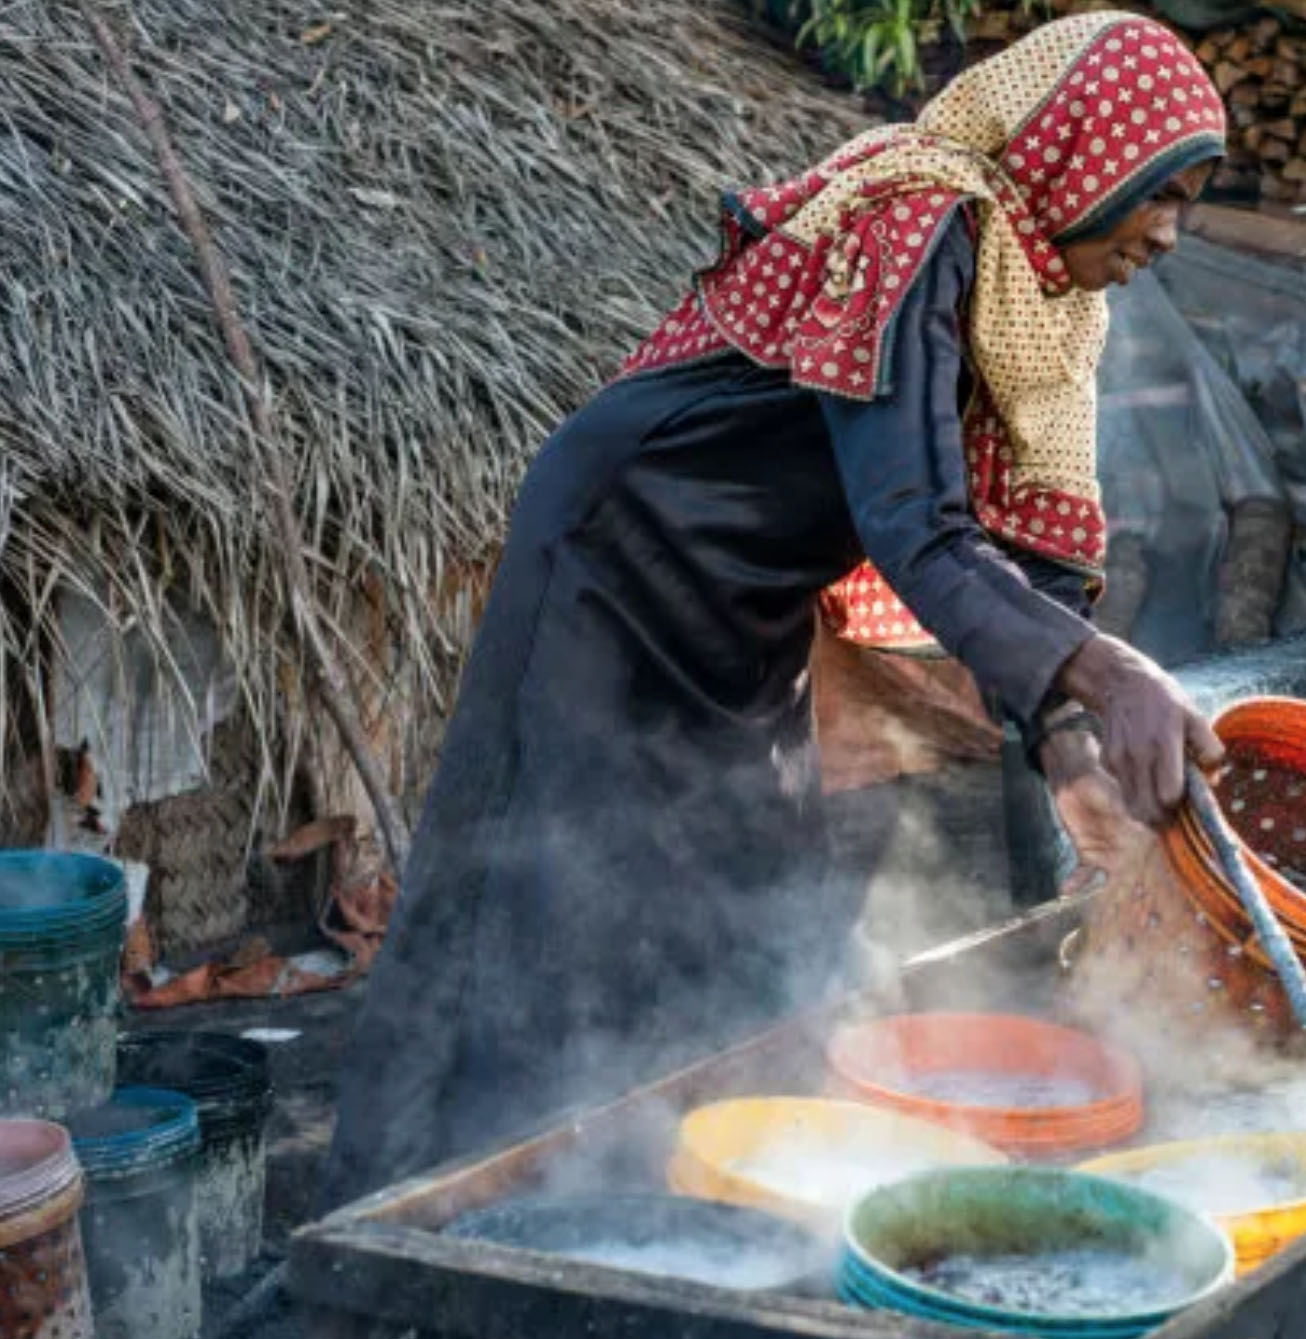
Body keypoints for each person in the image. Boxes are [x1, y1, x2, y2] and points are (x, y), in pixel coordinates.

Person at [320, 10, 1228, 1210]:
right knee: (561, 893)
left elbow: (1030, 566)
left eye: (1191, 200)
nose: (1169, 230)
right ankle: (434, 1210)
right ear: (1080, 155)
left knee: (748, 876)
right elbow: (918, 528)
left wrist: (1070, 753)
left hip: (750, 594)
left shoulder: (1046, 305)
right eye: (1158, 192)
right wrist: (1110, 679)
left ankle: (684, 1191)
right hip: (615, 559)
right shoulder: (921, 222)